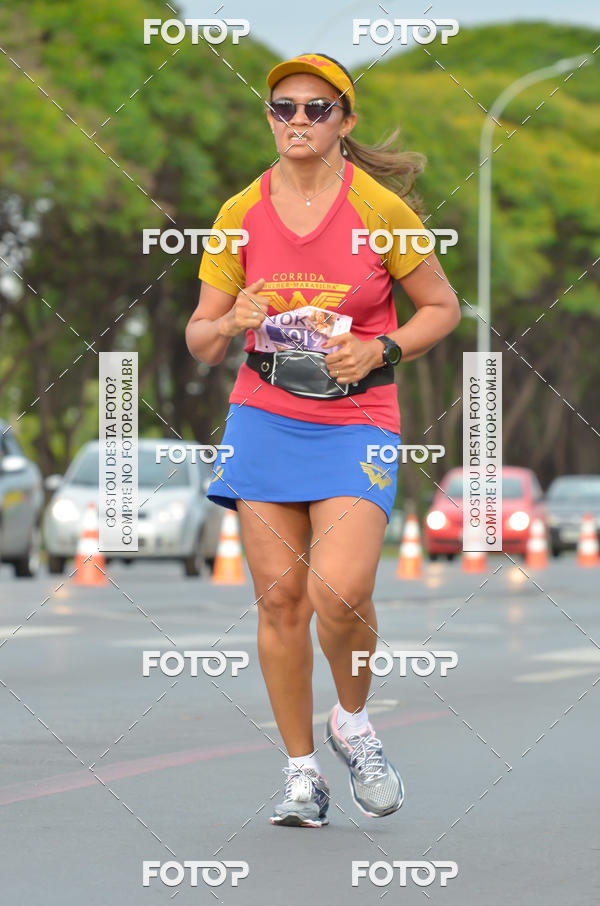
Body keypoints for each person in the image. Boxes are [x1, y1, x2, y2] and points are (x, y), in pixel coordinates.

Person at [185, 53, 460, 828]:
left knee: (340, 591)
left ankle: (355, 723)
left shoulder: (379, 210)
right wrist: (230, 321)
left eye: (315, 108)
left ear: (345, 120)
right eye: (282, 108)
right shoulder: (240, 211)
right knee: (278, 601)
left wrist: (384, 349)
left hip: (357, 420)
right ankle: (302, 773)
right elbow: (200, 339)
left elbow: (442, 307)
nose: (297, 121)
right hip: (264, 416)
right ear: (269, 118)